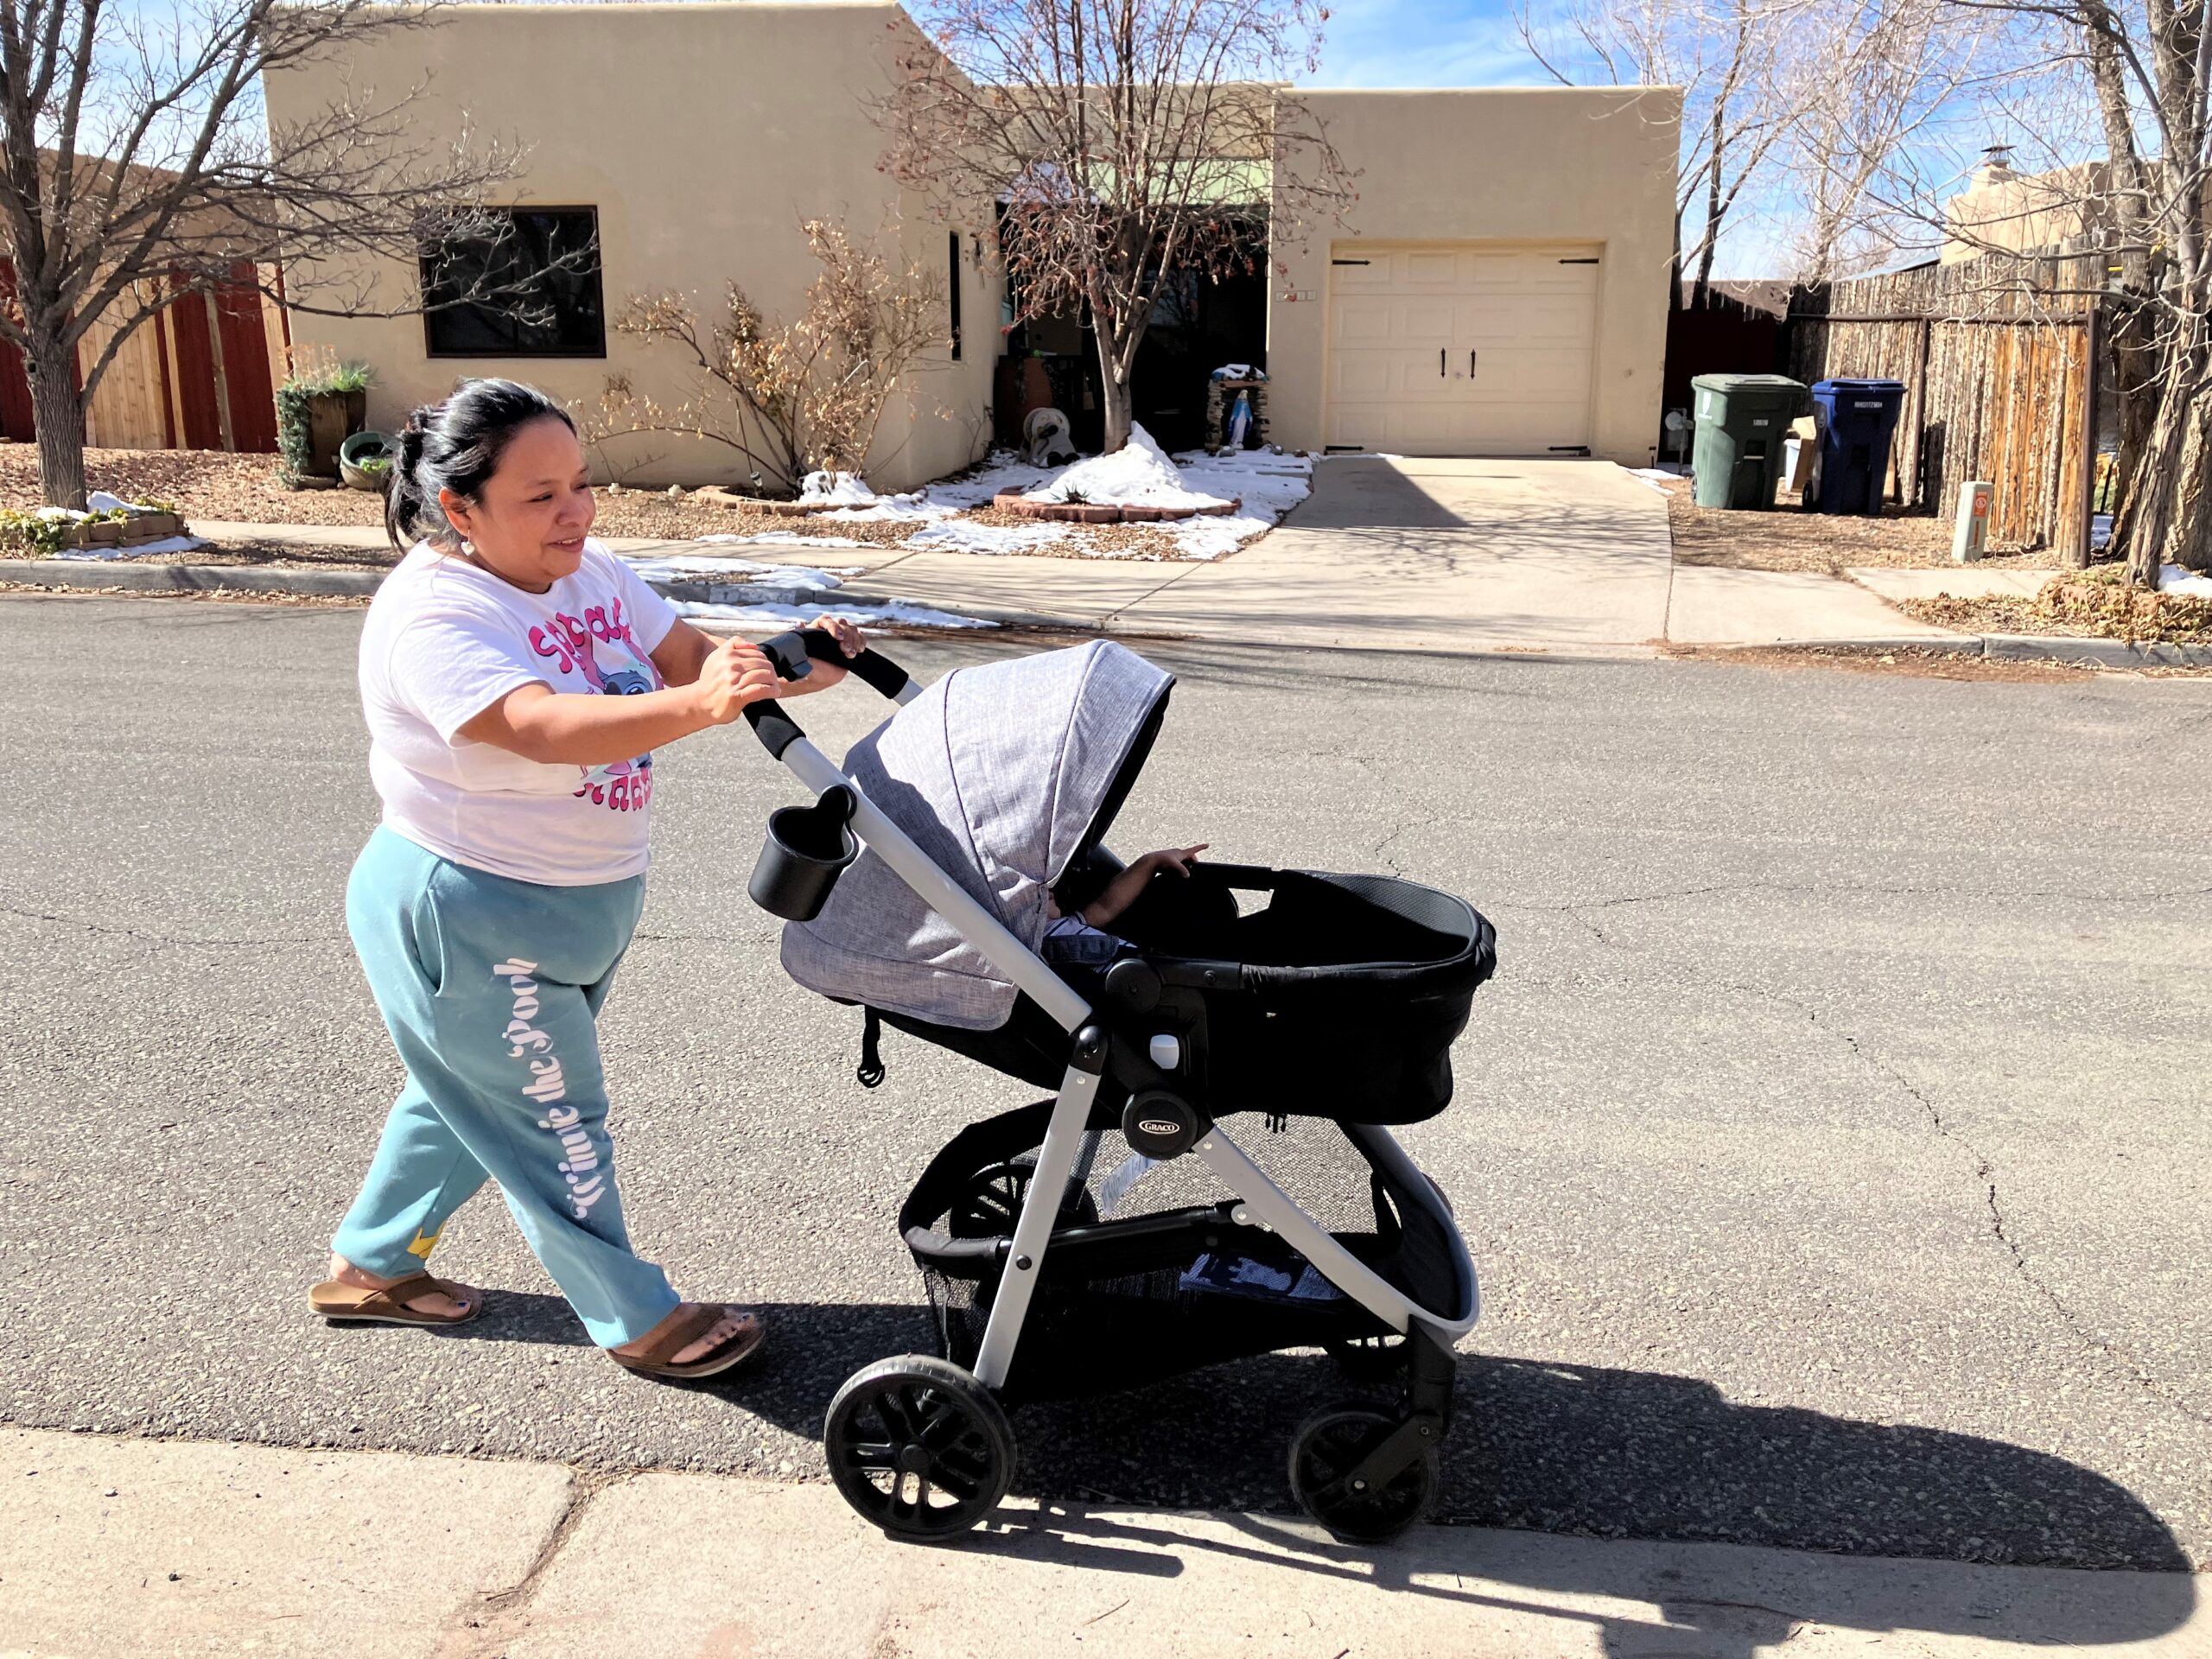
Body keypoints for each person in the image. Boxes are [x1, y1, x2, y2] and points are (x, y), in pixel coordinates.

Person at [308, 378, 862, 1381]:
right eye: (540, 496)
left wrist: (789, 663)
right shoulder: (431, 614)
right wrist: (701, 706)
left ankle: (373, 1265)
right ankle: (636, 1315)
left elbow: (688, 656)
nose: (575, 512)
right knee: (555, 1118)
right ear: (458, 508)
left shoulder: (591, 570)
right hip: (472, 909)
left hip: (577, 902)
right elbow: (535, 726)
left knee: (467, 1099)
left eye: (580, 483)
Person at [1039, 843, 1209, 967]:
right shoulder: (1030, 950)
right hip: (1145, 986)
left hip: (1154, 968)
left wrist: (1151, 861)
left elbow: (1106, 906)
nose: (1046, 888)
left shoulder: (1067, 924)